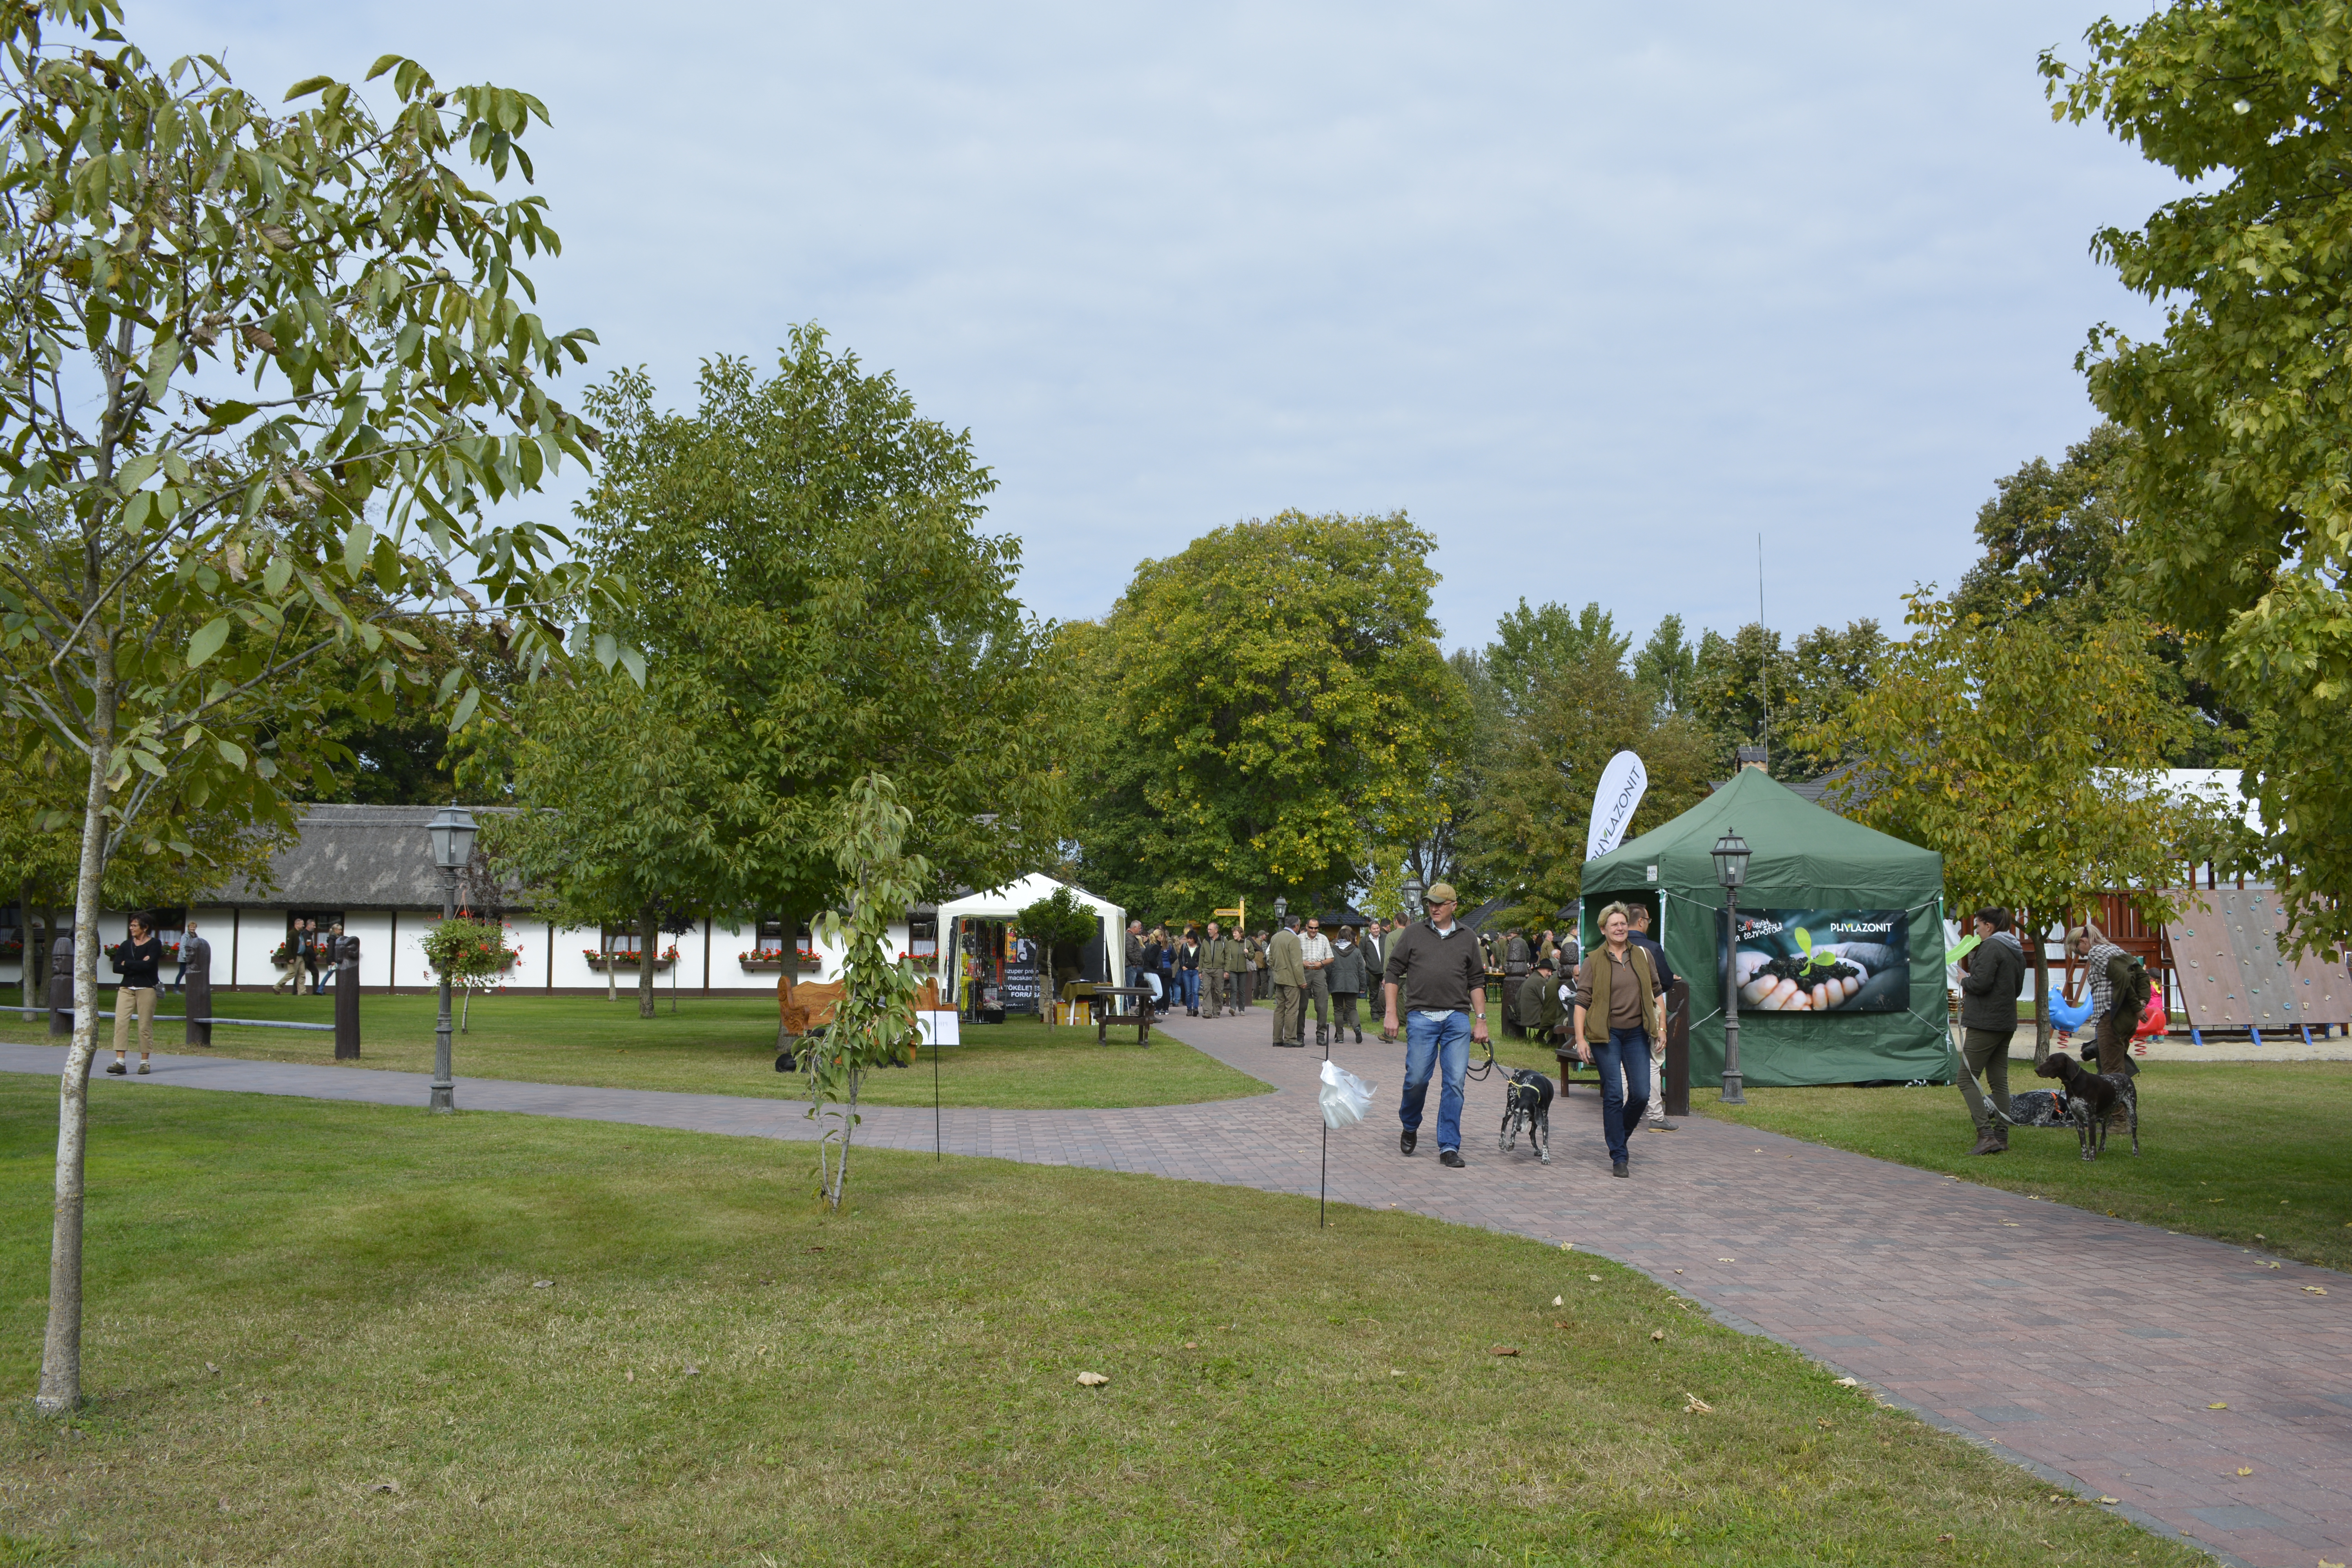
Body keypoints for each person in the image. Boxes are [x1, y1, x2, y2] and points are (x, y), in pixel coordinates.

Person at [1384, 885, 1487, 1167]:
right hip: (1421, 1017)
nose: (1435, 908)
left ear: (1454, 905)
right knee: (1417, 1079)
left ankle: (1449, 1146)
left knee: (1455, 1083)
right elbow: (1393, 971)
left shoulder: (1468, 937)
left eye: (1441, 904)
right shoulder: (1414, 933)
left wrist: (1481, 1020)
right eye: (1431, 903)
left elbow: (1477, 981)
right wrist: (1391, 1013)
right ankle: (1410, 1124)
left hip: (1456, 1019)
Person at [1570, 902, 1665, 1177]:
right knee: (1613, 1093)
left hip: (1637, 1033)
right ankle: (1619, 1155)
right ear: (1603, 929)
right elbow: (1582, 1002)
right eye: (1614, 924)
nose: (1621, 928)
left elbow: (1658, 993)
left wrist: (1662, 1028)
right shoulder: (1593, 960)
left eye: (1623, 923)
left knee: (1641, 1094)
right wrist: (1581, 1039)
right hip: (1606, 1034)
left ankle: (1618, 1136)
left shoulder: (1643, 955)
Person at [1956, 907, 2025, 1155]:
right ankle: (2001, 1137)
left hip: (1986, 1022)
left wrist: (1963, 980)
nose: (1976, 931)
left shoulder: (1991, 947)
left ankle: (1986, 1136)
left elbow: (1981, 983)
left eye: (1977, 926)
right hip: (2006, 1022)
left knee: (1965, 1079)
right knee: (1999, 1081)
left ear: (1988, 925)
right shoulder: (2015, 948)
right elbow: (2016, 989)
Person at [1626, 906, 1680, 1132]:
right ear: (1641, 922)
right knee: (1653, 1063)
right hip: (1648, 1013)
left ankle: (1627, 1112)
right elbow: (1664, 982)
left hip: (1620, 1016)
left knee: (1622, 1066)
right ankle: (1656, 1116)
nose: (1648, 923)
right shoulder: (1651, 948)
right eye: (1648, 919)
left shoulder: (1612, 948)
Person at [107, 913, 164, 1076]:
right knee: (121, 1023)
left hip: (147, 988)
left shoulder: (155, 944)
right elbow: (117, 968)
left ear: (145, 928)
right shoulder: (126, 945)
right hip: (126, 988)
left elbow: (149, 966)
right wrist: (139, 963)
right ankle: (120, 1062)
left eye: (135, 926)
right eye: (131, 925)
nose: (131, 928)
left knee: (144, 1025)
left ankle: (144, 1063)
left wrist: (128, 963)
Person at [1268, 915, 1306, 1047]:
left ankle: (1277, 1039)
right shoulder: (1293, 939)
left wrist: (1277, 971)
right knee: (1292, 1009)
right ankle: (1290, 1039)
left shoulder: (1275, 937)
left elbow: (1270, 959)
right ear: (1296, 926)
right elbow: (1297, 964)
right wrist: (1301, 981)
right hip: (1291, 980)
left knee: (1279, 1009)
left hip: (1279, 978)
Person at [1327, 923, 1367, 1045]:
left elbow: (1328, 969)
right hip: (1352, 984)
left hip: (1336, 984)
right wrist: (1363, 986)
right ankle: (1357, 1027)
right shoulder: (1356, 952)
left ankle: (1340, 1037)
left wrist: (1328, 984)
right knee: (1352, 1009)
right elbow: (1362, 970)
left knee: (1338, 1010)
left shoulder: (1333, 951)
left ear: (1339, 937)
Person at [1299, 915, 1334, 1048]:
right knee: (1302, 1005)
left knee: (1322, 1005)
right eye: (1312, 928)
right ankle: (1300, 1034)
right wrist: (1302, 962)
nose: (1314, 930)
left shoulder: (1324, 939)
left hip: (1319, 971)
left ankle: (1321, 1035)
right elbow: (1295, 956)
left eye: (1317, 928)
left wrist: (1321, 963)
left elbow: (1331, 958)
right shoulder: (1300, 939)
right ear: (1307, 927)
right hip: (1305, 971)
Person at [179, 918, 213, 1048]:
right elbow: (183, 948)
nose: (188, 955)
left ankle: (199, 1040)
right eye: (187, 952)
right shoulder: (186, 937)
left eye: (191, 952)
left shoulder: (199, 970)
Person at [1177, 927, 1201, 1015]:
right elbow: (1180, 957)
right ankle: (1189, 1009)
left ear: (1195, 939)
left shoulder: (1200, 947)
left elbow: (1203, 958)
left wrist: (1200, 967)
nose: (1189, 940)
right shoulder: (1184, 946)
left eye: (1191, 939)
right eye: (1188, 939)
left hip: (1196, 971)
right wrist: (1182, 966)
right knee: (1188, 992)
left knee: (1195, 991)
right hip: (1186, 971)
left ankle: (1195, 1008)